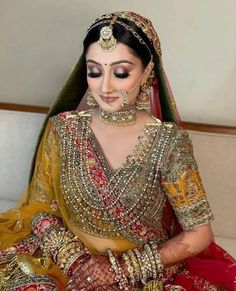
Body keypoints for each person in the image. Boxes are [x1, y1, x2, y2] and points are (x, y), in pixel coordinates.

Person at [0, 11, 235, 291]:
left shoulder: (169, 142)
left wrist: (119, 269)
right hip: (63, 263)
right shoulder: (62, 130)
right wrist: (78, 263)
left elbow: (199, 234)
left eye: (121, 72)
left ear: (148, 71)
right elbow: (38, 210)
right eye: (94, 71)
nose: (104, 86)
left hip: (139, 274)